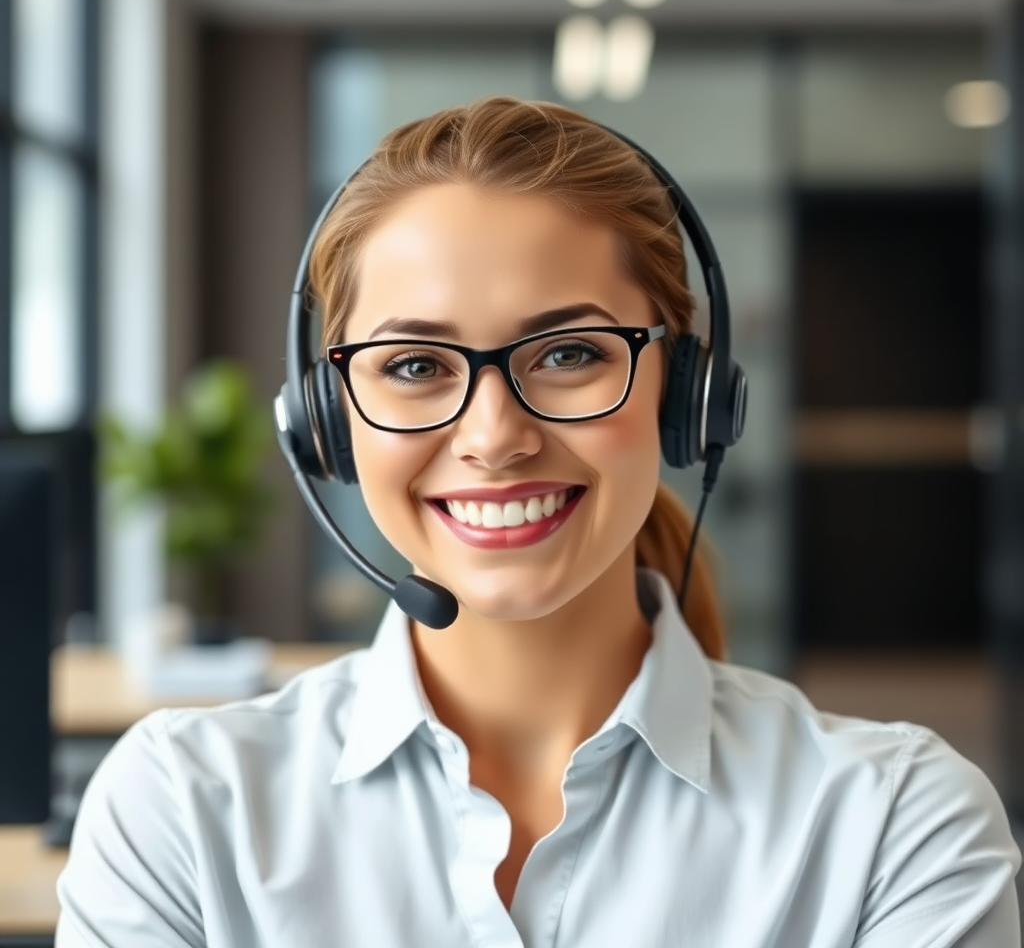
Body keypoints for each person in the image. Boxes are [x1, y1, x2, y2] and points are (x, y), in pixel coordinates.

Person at [56, 97, 1020, 947]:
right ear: (328, 421)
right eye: (413, 366)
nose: (494, 436)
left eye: (567, 355)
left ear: (686, 395)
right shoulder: (183, 809)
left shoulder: (894, 826)